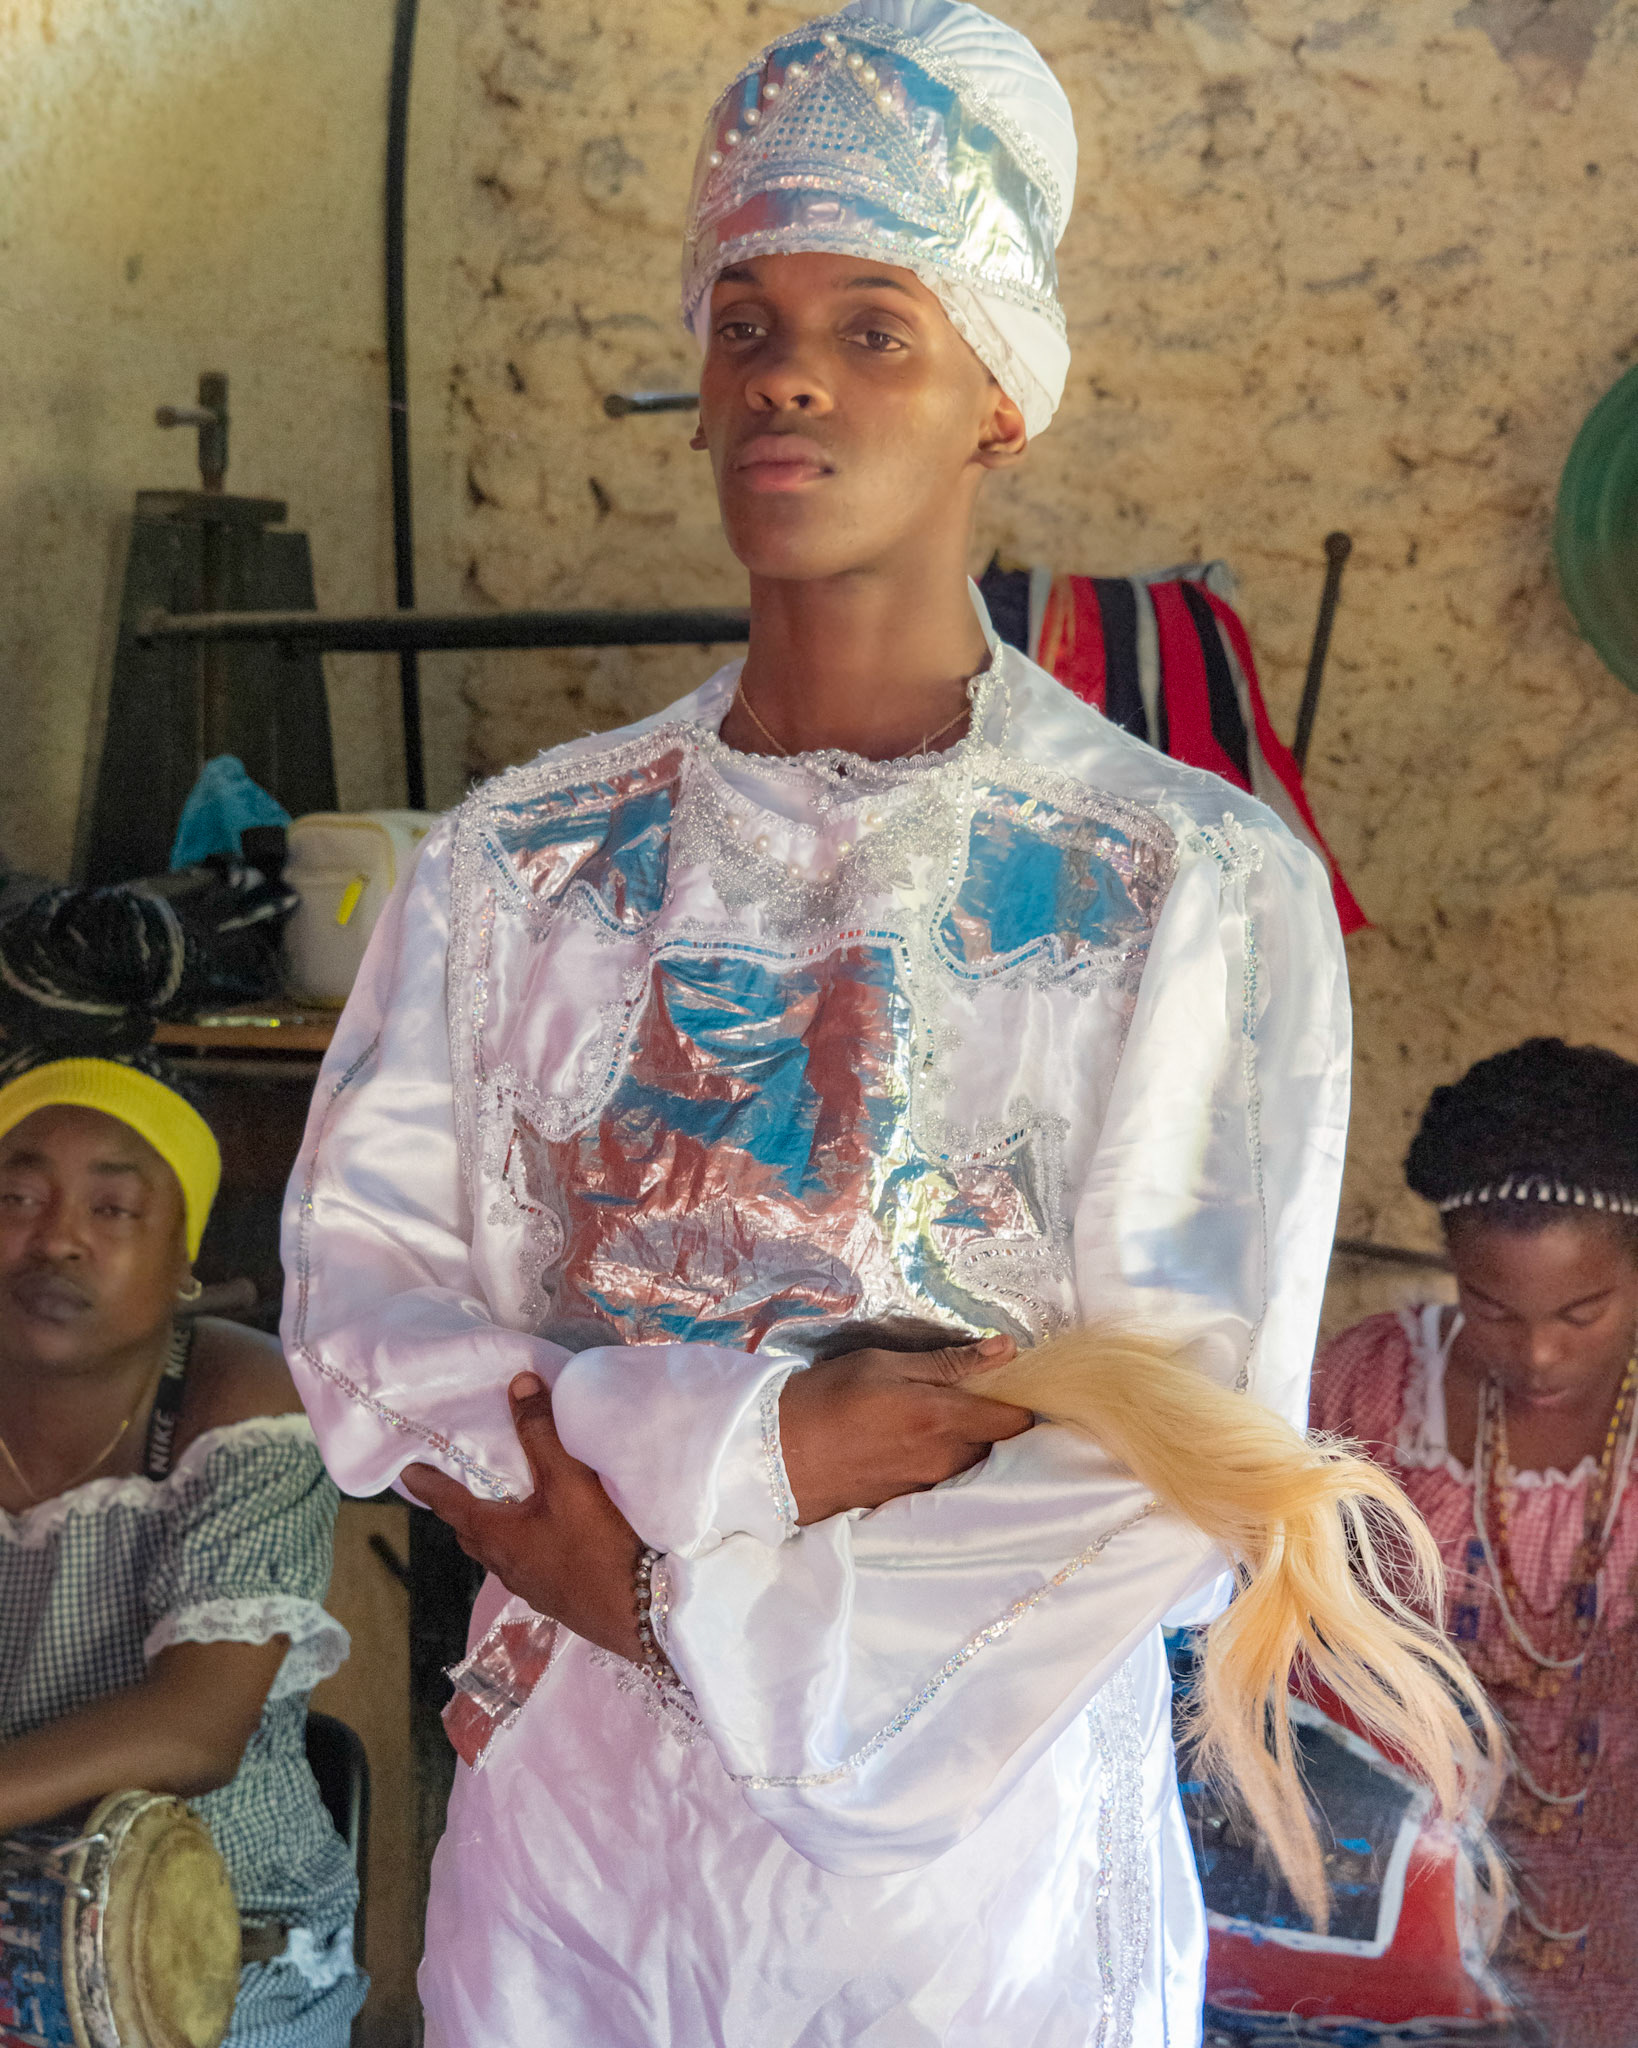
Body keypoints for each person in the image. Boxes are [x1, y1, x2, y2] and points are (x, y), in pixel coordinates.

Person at [282, 5, 1354, 2041]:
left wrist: (692, 1605)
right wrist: (740, 1460)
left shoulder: (1177, 888)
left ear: (999, 401)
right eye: (748, 317)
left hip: (964, 1880)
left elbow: (1174, 1434)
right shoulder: (522, 864)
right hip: (574, 1843)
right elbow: (366, 1297)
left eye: (876, 327)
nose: (787, 370)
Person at [0, 1052, 366, 2047]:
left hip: (215, 1968)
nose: (58, 1239)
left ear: (185, 1261)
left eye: (113, 1210)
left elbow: (194, 1727)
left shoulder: (238, 1402)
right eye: (18, 1195)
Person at [1311, 1037, 1638, 2048]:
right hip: (1398, 1894)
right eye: (1490, 1307)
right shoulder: (1371, 1387)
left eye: (1583, 1312)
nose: (1537, 1352)